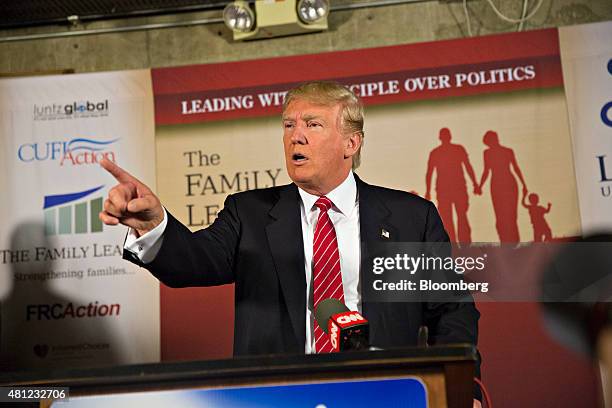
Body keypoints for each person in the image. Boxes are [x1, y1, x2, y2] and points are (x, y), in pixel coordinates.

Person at [99, 81, 482, 406]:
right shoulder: (248, 213)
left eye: (312, 124)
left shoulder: (410, 218)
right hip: (278, 397)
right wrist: (153, 224)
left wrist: (462, 389)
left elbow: (451, 310)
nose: (295, 136)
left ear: (351, 143)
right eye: (288, 125)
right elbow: (193, 262)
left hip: (383, 394)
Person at [425, 127, 480, 243]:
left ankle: (463, 245)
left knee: (459, 217)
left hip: (455, 188)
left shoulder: (453, 150)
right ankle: (458, 245)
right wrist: (475, 184)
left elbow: (467, 166)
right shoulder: (440, 152)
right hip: (447, 190)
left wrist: (475, 183)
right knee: (452, 218)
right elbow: (429, 172)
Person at [478, 130, 527, 243]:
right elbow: (486, 171)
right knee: (501, 214)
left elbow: (516, 168)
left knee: (511, 214)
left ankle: (514, 240)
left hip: (508, 183)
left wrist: (524, 184)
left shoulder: (507, 151)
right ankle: (505, 240)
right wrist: (480, 186)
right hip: (497, 184)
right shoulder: (488, 153)